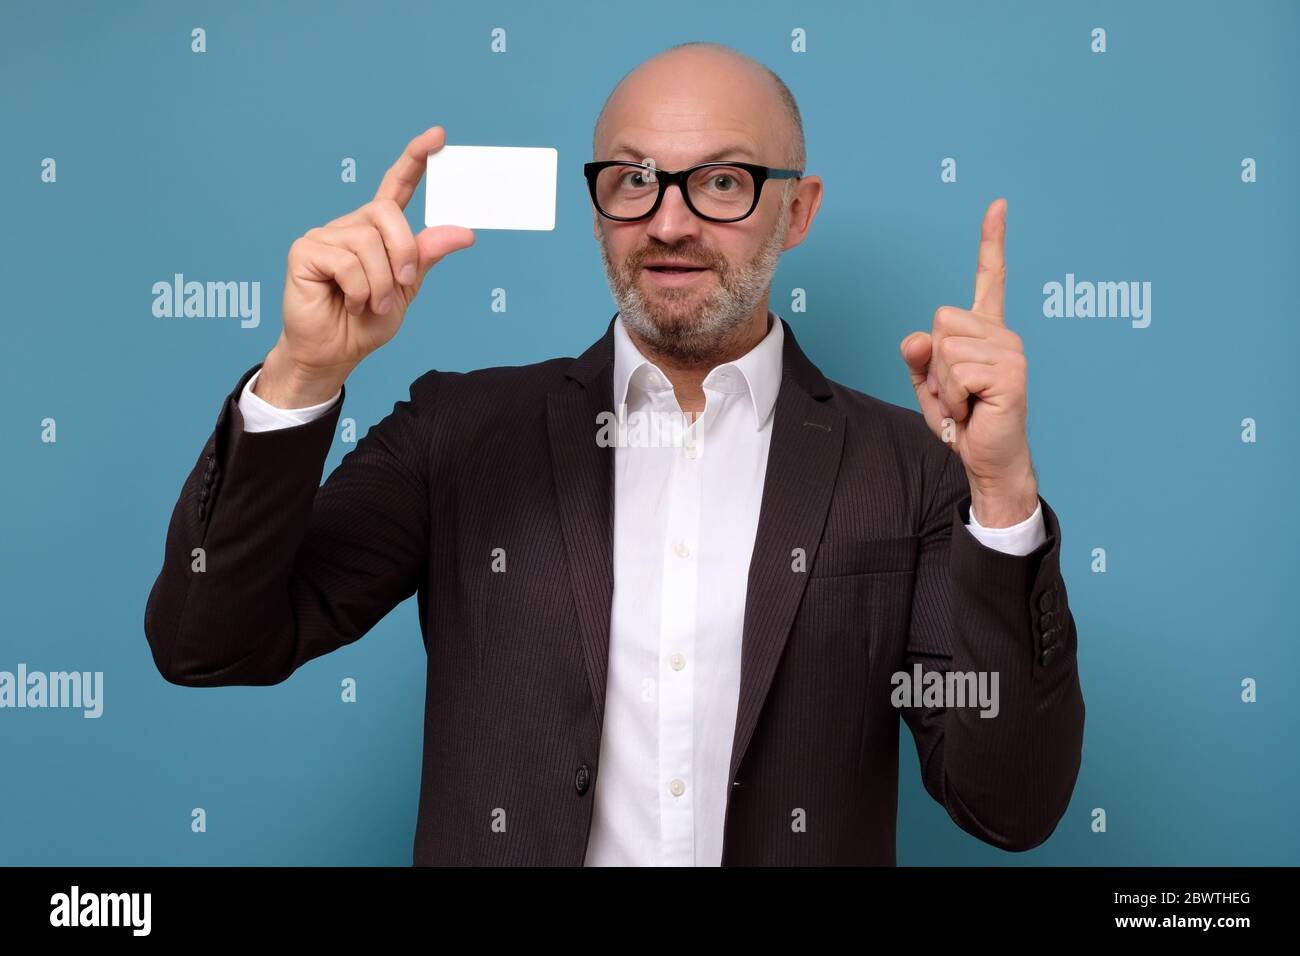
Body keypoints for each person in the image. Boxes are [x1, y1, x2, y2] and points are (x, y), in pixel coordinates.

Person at [144, 41, 1083, 866]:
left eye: (722, 181)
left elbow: (1009, 807)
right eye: (634, 179)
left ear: (796, 212)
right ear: (598, 209)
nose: (669, 223)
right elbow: (207, 643)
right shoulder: (461, 432)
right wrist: (303, 374)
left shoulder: (909, 468)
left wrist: (999, 493)